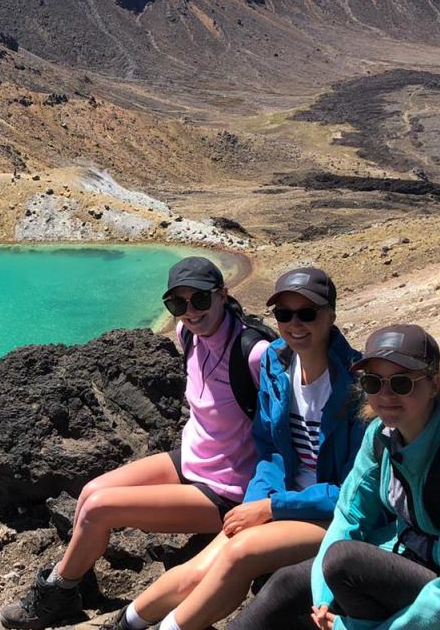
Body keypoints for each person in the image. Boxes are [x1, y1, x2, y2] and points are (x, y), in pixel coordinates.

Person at [0, 257, 272, 629]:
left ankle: (57, 593)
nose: (189, 312)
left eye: (200, 300)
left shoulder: (254, 354)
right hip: (193, 457)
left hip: (228, 489)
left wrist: (270, 503)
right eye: (178, 303)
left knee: (100, 509)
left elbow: (286, 429)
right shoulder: (187, 335)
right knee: (90, 493)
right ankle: (77, 583)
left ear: (223, 295)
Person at [229, 324, 440, 630]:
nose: (386, 395)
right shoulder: (380, 436)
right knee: (292, 581)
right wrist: (323, 598)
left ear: (433, 384)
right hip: (418, 558)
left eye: (402, 383)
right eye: (374, 382)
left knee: (344, 562)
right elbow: (348, 515)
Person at [100, 268, 366, 630]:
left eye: (307, 313)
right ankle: (125, 622)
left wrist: (271, 507)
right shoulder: (276, 362)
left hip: (332, 514)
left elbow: (354, 492)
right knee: (200, 566)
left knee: (238, 553)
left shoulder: (358, 386)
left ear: (331, 316)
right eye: (284, 314)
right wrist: (256, 504)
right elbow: (269, 449)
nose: (294, 324)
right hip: (279, 499)